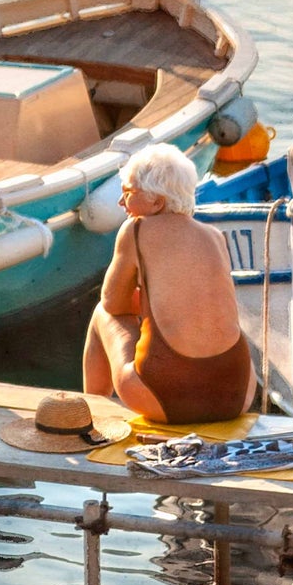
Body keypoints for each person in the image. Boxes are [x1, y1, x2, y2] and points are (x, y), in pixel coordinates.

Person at [82, 143, 255, 425]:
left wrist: (141, 302)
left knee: (102, 314)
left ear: (157, 202)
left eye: (128, 193)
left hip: (166, 399)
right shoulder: (214, 236)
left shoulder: (136, 229)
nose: (120, 203)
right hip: (236, 397)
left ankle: (90, 416)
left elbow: (114, 303)